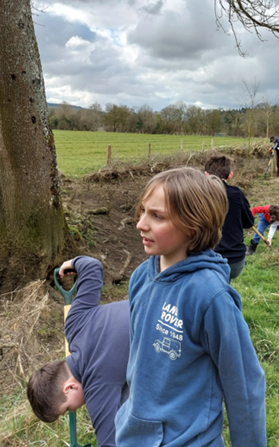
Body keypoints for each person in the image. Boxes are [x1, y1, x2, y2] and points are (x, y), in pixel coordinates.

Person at [115, 167, 266, 447]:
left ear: (192, 227)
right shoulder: (140, 276)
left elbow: (245, 387)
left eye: (157, 216)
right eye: (143, 211)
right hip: (133, 436)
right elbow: (137, 359)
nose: (140, 224)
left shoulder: (210, 296)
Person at [27, 256, 130, 447]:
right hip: (162, 302)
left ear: (69, 387)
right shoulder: (74, 326)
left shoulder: (97, 385)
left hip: (182, 339)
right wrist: (71, 263)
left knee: (128, 405)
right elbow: (92, 267)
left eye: (67, 409)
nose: (75, 410)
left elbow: (109, 443)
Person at [204, 155, 254, 281]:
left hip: (206, 258)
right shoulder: (237, 194)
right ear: (230, 175)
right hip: (234, 259)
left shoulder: (197, 195)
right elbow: (249, 222)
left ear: (205, 174)